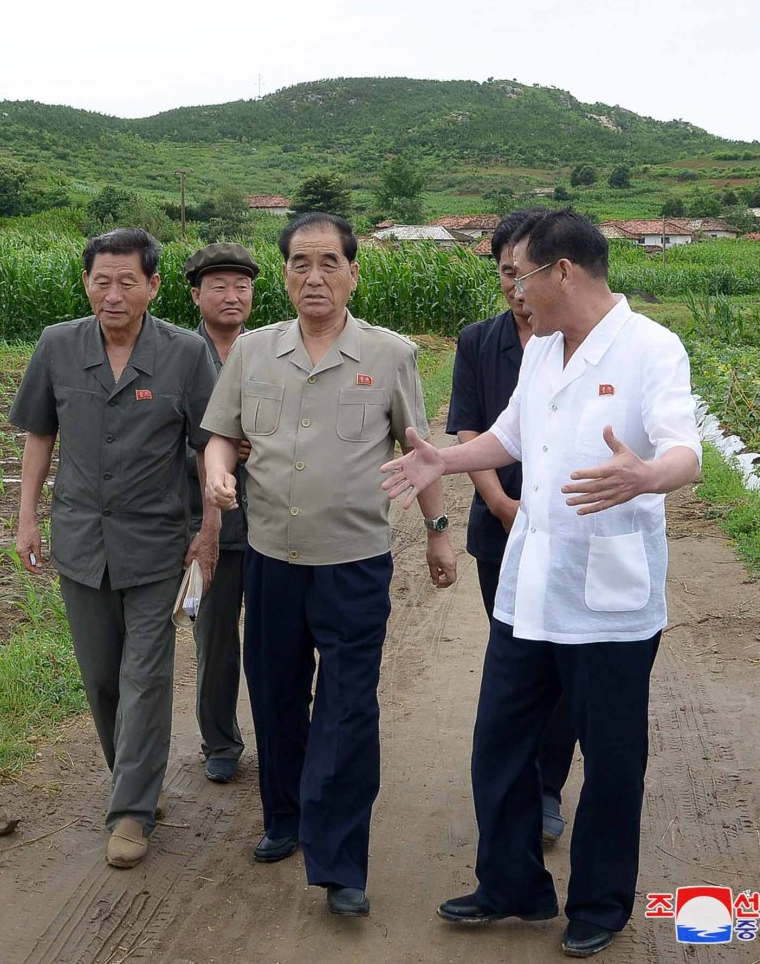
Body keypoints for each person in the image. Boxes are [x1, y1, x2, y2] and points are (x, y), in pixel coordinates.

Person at [382, 210, 701, 957]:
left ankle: (598, 902)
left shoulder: (652, 347)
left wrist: (645, 474)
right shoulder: (544, 351)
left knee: (614, 756)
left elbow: (685, 448)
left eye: (521, 273)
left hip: (610, 601)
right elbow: (511, 436)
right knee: (499, 741)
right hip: (533, 589)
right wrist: (444, 461)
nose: (514, 291)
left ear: (563, 271)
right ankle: (512, 883)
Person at [202, 212, 458, 918]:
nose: (313, 276)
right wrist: (217, 476)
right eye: (299, 263)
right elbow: (220, 438)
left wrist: (438, 531)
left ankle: (341, 859)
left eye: (327, 263)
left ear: (352, 272)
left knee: (347, 706)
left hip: (354, 564)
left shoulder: (390, 353)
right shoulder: (251, 353)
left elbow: (420, 452)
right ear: (284, 274)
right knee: (277, 693)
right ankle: (284, 817)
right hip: (272, 560)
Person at [9, 228, 221, 870]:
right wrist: (26, 519)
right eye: (102, 279)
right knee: (101, 678)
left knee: (145, 675)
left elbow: (215, 443)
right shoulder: (58, 345)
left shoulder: (185, 354)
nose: (113, 292)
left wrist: (208, 531)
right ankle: (136, 779)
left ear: (154, 287)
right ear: (86, 283)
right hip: (80, 540)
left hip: (158, 543)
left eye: (128, 280)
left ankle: (130, 809)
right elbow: (40, 435)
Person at [447, 208, 578, 844]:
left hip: (567, 530)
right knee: (516, 656)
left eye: (523, 272)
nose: (515, 286)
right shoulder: (480, 341)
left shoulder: (578, 344)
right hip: (499, 525)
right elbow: (475, 428)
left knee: (564, 663)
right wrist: (499, 503)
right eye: (505, 272)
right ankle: (516, 786)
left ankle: (546, 784)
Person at [182, 242, 259, 784]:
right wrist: (217, 451)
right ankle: (220, 741)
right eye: (219, 287)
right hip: (205, 524)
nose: (232, 297)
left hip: (275, 522)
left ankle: (283, 732)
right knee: (213, 639)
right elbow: (160, 438)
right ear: (196, 295)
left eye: (242, 287)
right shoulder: (176, 356)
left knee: (277, 638)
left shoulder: (271, 351)